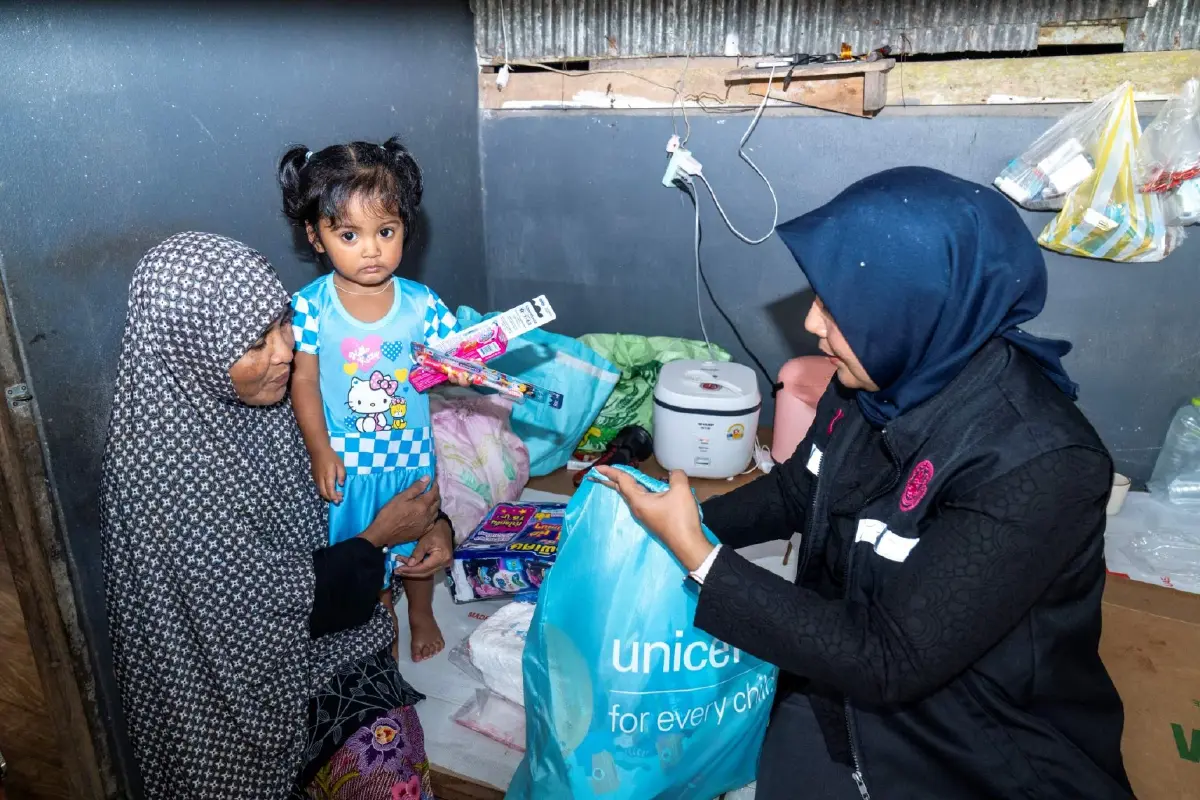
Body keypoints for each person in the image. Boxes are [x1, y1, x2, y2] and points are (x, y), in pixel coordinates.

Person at [598, 167, 1133, 799]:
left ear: (913, 307)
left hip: (975, 736)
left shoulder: (1040, 465)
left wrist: (700, 556)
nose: (812, 323)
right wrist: (675, 519)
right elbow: (800, 491)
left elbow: (891, 658)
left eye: (836, 305)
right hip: (842, 672)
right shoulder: (878, 380)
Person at [100, 232, 453, 799]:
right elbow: (251, 609)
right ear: (192, 351)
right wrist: (378, 539)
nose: (286, 351)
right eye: (255, 342)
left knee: (396, 768)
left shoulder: (272, 401)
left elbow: (364, 477)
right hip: (232, 701)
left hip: (331, 637)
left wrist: (434, 523)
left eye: (282, 324)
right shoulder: (161, 470)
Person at [280, 137, 464, 663]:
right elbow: (303, 383)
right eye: (349, 235)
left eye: (386, 231)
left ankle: (421, 611)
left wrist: (466, 368)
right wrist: (319, 449)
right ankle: (382, 631)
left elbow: (452, 359)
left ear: (406, 227)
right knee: (369, 554)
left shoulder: (421, 304)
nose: (371, 250)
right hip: (349, 463)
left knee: (418, 545)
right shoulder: (309, 308)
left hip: (410, 455)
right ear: (315, 236)